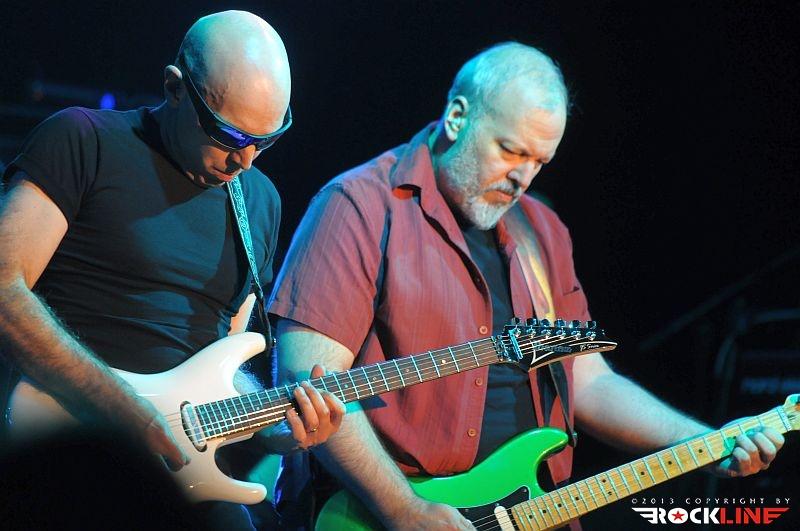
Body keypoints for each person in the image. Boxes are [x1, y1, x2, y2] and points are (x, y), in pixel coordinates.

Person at [268, 42, 785, 529]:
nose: (523, 178)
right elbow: (309, 380)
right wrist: (402, 508)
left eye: (539, 161)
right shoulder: (359, 205)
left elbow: (588, 381)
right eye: (511, 150)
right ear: (457, 118)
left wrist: (704, 442)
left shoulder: (543, 232)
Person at [0, 10, 344, 529]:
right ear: (175, 87)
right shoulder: (83, 139)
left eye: (267, 140)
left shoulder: (260, 202)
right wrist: (121, 407)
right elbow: (5, 287)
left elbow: (226, 364)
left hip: (180, 473)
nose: (246, 160)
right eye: (228, 134)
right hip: (66, 443)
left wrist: (279, 429)